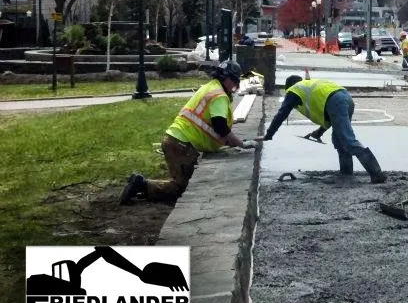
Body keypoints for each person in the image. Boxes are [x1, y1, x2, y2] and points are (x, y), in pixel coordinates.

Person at [120, 60, 257, 205]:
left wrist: (232, 141)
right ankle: (141, 184)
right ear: (227, 78)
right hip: (182, 145)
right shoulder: (220, 96)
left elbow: (210, 126)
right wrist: (241, 144)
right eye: (235, 81)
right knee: (181, 188)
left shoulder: (211, 87)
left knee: (182, 182)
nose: (236, 85)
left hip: (176, 139)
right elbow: (220, 127)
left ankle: (143, 186)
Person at [257, 75, 386, 183]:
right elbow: (329, 112)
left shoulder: (294, 90)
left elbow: (282, 114)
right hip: (346, 98)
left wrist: (269, 134)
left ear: (288, 87)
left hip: (336, 101)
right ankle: (346, 173)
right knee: (339, 139)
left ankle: (376, 173)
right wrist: (319, 132)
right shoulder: (310, 86)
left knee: (348, 140)